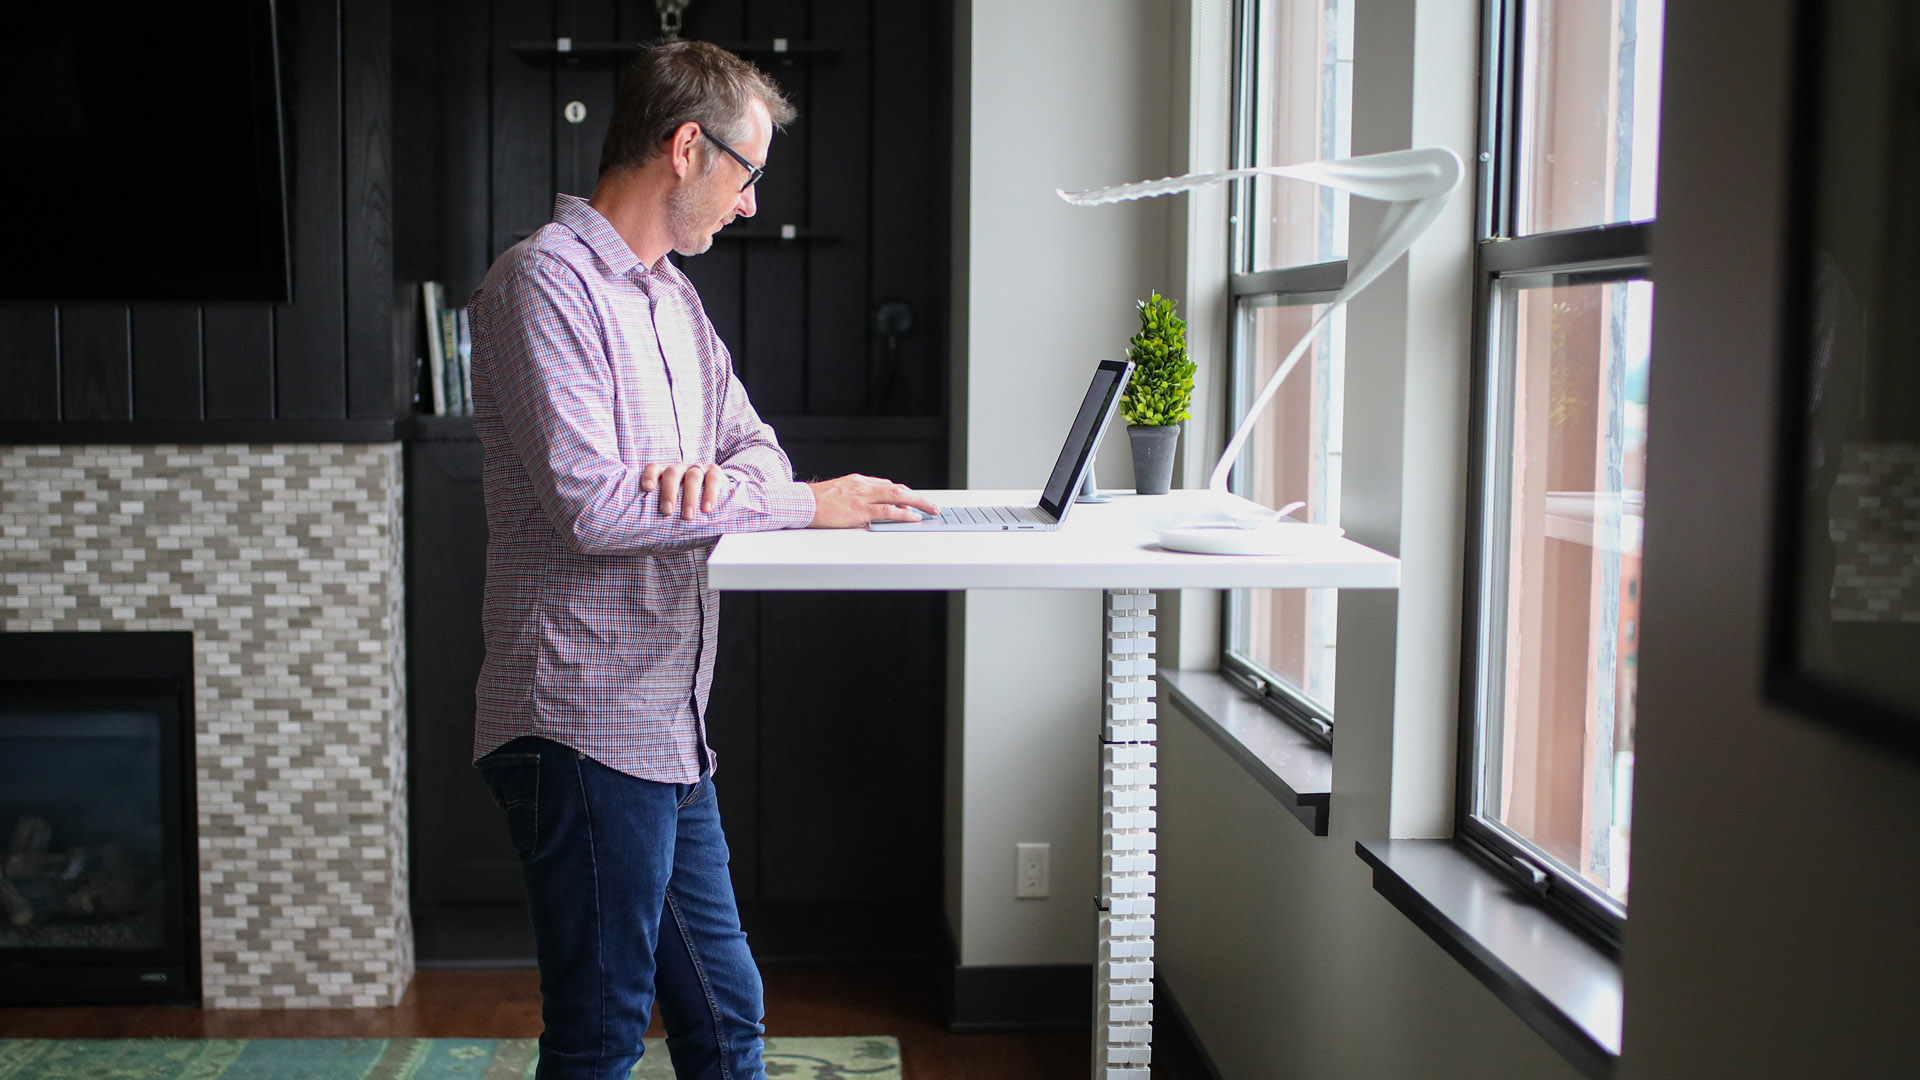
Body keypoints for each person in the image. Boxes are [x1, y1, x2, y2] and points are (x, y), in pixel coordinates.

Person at [465, 41, 937, 1080]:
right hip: (579, 723)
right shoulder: (542, 285)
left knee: (726, 1015)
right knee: (599, 1032)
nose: (751, 202)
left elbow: (754, 446)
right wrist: (793, 505)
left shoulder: (671, 300)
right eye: (747, 172)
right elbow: (595, 503)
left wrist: (713, 486)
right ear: (687, 147)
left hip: (668, 725)